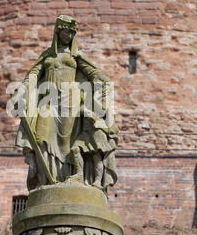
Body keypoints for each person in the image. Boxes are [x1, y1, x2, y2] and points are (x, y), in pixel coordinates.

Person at [11, 15, 118, 193]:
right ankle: (46, 181)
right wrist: (21, 91)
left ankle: (73, 176)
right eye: (66, 32)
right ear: (58, 32)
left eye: (72, 34)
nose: (69, 36)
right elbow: (33, 76)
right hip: (48, 100)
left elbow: (96, 75)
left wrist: (101, 99)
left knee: (67, 142)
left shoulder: (76, 56)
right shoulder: (47, 55)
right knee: (40, 137)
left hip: (71, 100)